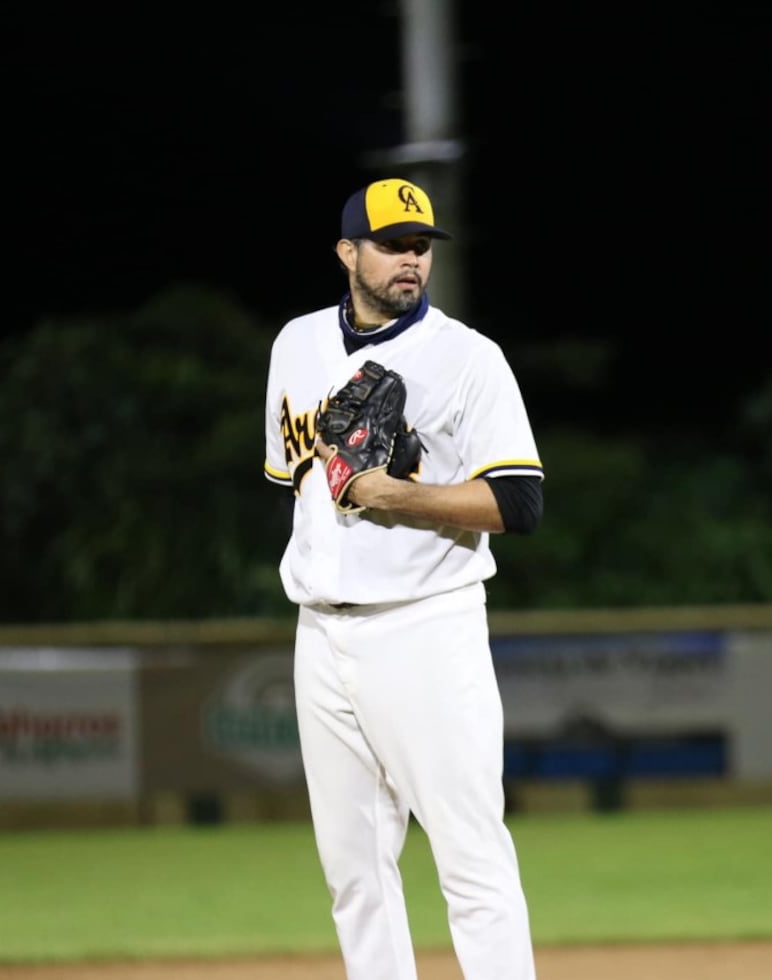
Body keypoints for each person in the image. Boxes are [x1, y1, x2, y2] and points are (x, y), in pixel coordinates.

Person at [263, 177, 543, 980]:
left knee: (469, 854)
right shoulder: (296, 345)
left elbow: (520, 503)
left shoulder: (468, 357)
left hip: (427, 625)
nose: (409, 260)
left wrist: (402, 493)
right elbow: (302, 488)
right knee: (352, 870)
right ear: (349, 253)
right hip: (320, 630)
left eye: (419, 246)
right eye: (390, 245)